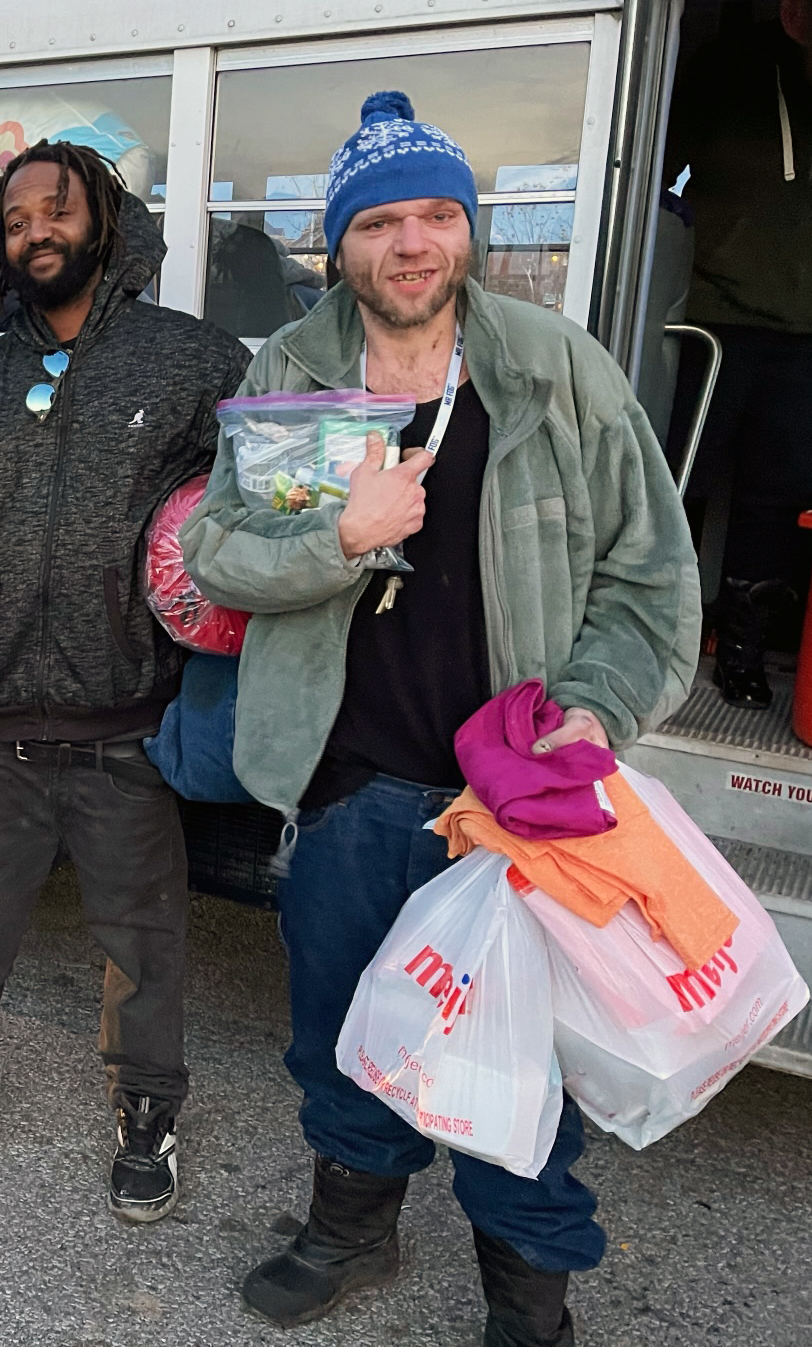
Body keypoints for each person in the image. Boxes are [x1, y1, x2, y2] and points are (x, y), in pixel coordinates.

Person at [178, 93, 700, 1346]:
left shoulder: (550, 368)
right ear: (336, 246)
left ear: (464, 230)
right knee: (344, 1034)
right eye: (378, 222)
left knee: (519, 1066)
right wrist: (336, 540)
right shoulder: (290, 371)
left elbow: (648, 576)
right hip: (349, 785)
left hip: (513, 806)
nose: (410, 243)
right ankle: (349, 1232)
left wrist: (595, 704)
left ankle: (528, 1301)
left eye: (435, 215)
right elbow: (213, 553)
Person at [0, 140, 252, 1222]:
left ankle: (147, 1108)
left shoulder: (192, 363)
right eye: (15, 219)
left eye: (57, 210)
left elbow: (256, 493)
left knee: (142, 937)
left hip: (127, 718)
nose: (34, 231)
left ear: (106, 223)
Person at [663, 0, 812, 708]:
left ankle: (744, 648)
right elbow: (650, 171)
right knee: (678, 482)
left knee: (776, 499)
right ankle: (654, 630)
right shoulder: (728, 72)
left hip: (806, 339)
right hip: (717, 320)